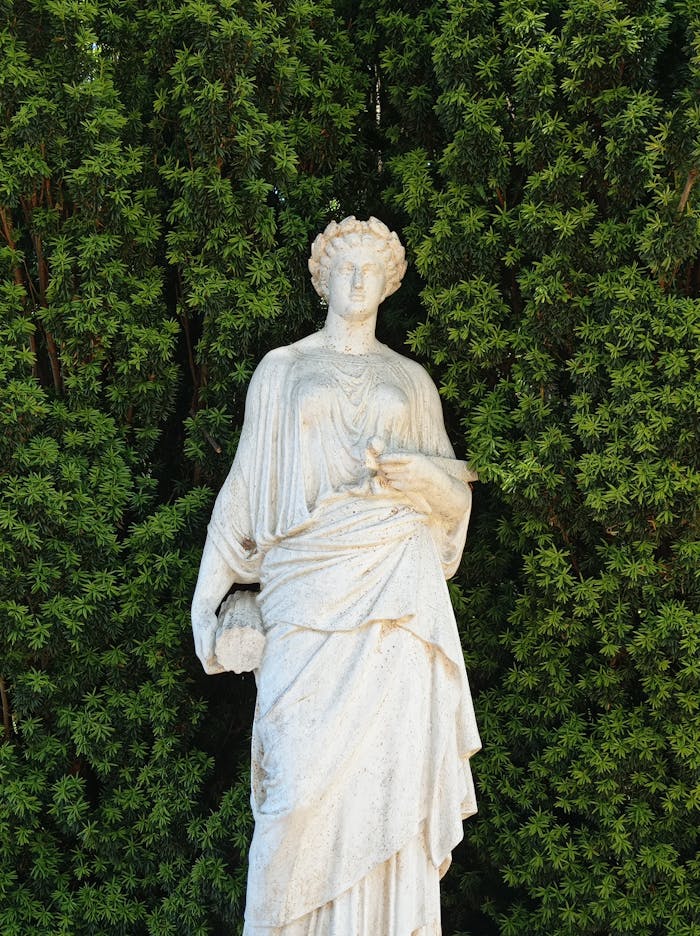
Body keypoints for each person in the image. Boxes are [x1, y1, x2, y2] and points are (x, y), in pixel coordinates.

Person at [191, 216, 481, 935]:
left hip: (399, 595)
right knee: (294, 795)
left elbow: (453, 509)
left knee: (389, 784)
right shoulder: (283, 370)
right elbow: (244, 492)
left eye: (371, 271)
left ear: (388, 284)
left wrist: (427, 479)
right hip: (306, 594)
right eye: (344, 268)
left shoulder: (411, 382)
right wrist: (210, 602)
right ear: (322, 278)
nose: (357, 281)